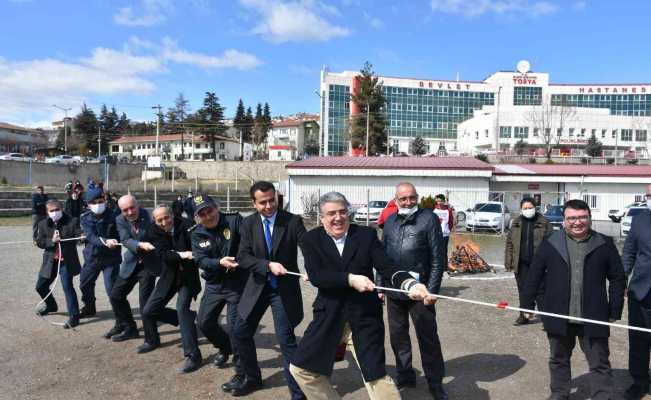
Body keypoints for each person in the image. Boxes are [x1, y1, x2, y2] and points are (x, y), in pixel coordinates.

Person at [289, 191, 436, 400]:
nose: (338, 218)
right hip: (329, 314)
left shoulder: (366, 235)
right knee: (301, 369)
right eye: (331, 213)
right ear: (321, 218)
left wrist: (410, 284)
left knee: (375, 375)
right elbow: (317, 276)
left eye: (342, 212)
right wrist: (350, 279)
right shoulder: (311, 239)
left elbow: (387, 267)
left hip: (364, 315)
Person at [522, 199, 626, 400]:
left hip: (593, 315)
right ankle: (560, 394)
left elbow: (617, 278)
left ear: (590, 218)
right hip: (559, 313)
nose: (577, 222)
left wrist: (614, 310)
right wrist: (527, 304)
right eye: (572, 218)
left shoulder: (604, 243)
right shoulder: (551, 243)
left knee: (599, 362)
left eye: (582, 217)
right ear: (564, 221)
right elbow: (534, 274)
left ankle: (602, 395)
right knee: (558, 359)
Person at [231, 181, 306, 398]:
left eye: (272, 200)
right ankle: (252, 379)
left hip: (283, 290)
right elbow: (243, 257)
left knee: (285, 339)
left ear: (276, 197)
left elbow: (308, 247)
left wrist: (313, 268)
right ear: (254, 203)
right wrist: (267, 265)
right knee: (240, 332)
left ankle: (298, 394)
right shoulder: (248, 224)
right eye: (262, 202)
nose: (268, 206)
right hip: (257, 287)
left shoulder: (292, 221)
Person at [380, 183, 448, 399]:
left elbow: (438, 258)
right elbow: (382, 257)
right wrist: (380, 285)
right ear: (396, 200)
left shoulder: (429, 219)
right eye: (403, 199)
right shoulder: (389, 221)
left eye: (412, 198)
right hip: (393, 290)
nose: (408, 202)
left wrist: (433, 290)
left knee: (428, 337)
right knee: (398, 336)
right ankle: (405, 375)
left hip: (421, 291)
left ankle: (435, 382)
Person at [190, 194, 246, 389]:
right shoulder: (197, 233)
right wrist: (218, 263)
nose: (208, 215)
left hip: (237, 284)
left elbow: (249, 243)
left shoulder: (234, 220)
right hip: (214, 285)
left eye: (210, 210)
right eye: (202, 214)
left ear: (216, 207)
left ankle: (241, 373)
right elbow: (200, 260)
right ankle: (224, 347)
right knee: (204, 322)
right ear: (198, 217)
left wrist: (240, 260)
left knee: (234, 329)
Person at [143, 205, 202, 373]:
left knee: (182, 308)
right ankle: (187, 319)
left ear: (172, 215)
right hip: (168, 276)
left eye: (166, 218)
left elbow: (197, 247)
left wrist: (185, 254)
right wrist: (182, 255)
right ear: (155, 220)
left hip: (188, 277)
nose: (163, 222)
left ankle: (193, 355)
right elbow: (163, 255)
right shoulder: (153, 230)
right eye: (159, 220)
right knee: (149, 311)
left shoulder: (187, 224)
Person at [108, 195, 160, 348]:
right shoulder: (120, 220)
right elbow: (124, 239)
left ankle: (152, 340)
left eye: (132, 207)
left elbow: (159, 234)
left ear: (138, 204)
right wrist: (139, 244)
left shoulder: (150, 215)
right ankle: (130, 328)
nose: (130, 212)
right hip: (131, 263)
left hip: (148, 265)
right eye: (125, 210)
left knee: (145, 304)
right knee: (116, 296)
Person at [622, 184, 651, 400]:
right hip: (641, 291)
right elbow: (629, 251)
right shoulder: (640, 219)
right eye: (648, 195)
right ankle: (639, 382)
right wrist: (622, 279)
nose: (650, 198)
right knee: (639, 340)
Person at [35, 199, 83, 329]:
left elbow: (79, 234)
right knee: (40, 286)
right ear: (47, 212)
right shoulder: (42, 224)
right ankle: (51, 305)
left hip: (66, 262)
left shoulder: (72, 221)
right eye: (52, 210)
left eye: (57, 209)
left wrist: (82, 237)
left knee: (67, 287)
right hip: (51, 261)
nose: (55, 212)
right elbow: (39, 242)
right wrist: (52, 241)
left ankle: (74, 316)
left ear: (62, 209)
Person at [504, 197, 552, 326]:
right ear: (521, 209)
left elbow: (552, 244)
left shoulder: (544, 222)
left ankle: (547, 319)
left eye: (530, 207)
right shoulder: (516, 222)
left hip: (539, 264)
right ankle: (524, 315)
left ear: (535, 208)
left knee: (541, 291)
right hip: (521, 263)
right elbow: (510, 243)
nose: (527, 210)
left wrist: (550, 264)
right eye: (525, 208)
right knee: (524, 290)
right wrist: (509, 262)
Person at [79, 187, 121, 323]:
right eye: (95, 202)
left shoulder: (114, 215)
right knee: (85, 284)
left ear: (105, 200)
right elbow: (91, 236)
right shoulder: (85, 218)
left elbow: (121, 234)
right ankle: (89, 307)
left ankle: (121, 317)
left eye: (101, 201)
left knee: (112, 289)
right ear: (89, 204)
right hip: (92, 257)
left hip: (111, 259)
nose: (98, 204)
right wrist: (105, 241)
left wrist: (116, 241)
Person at [433, 193, 454, 268]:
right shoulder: (434, 209)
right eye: (437, 201)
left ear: (443, 201)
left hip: (445, 234)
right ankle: (435, 267)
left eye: (440, 201)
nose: (439, 203)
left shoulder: (448, 210)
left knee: (444, 252)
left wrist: (447, 230)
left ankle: (445, 268)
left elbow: (451, 222)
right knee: (435, 251)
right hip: (435, 234)